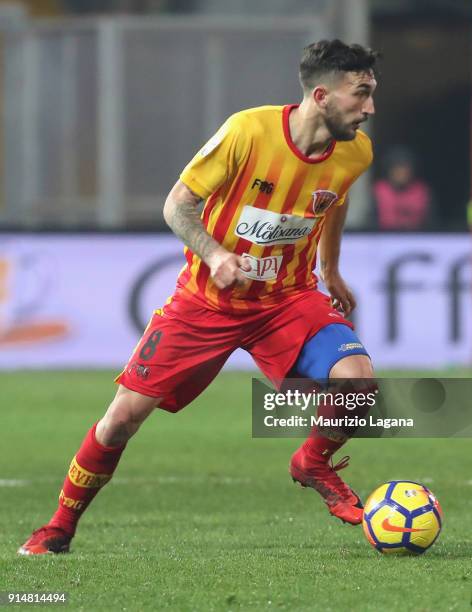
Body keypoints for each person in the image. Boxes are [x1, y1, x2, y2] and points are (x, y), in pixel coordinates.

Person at [19, 39, 378, 555]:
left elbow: (333, 200)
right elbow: (177, 206)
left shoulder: (356, 151)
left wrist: (332, 268)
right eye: (360, 94)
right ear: (321, 95)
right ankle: (58, 528)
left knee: (358, 385)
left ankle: (312, 461)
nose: (369, 108)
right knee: (121, 419)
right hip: (206, 303)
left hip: (286, 299)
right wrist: (213, 254)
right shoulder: (247, 132)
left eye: (371, 94)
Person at [373, 147, 432, 230]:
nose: (401, 174)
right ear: (390, 171)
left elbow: (431, 221)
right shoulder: (379, 191)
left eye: (405, 170)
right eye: (397, 170)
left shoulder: (421, 192)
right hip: (384, 237)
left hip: (416, 238)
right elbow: (370, 220)